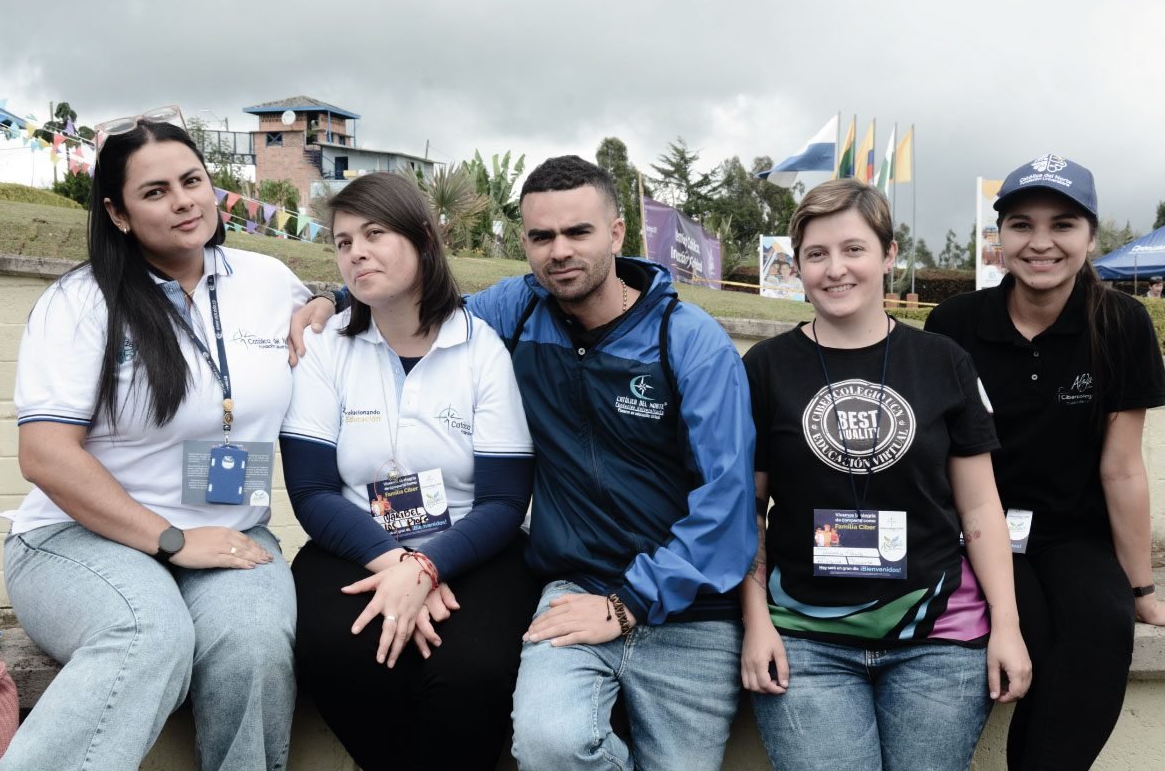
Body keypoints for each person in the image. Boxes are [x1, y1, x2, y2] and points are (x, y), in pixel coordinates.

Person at [292, 155, 758, 771]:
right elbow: (415, 304)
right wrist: (329, 300)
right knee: (548, 744)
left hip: (687, 609)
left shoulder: (690, 341)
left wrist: (628, 605)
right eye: (542, 237)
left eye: (578, 232)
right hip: (573, 587)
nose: (559, 251)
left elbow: (728, 504)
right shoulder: (517, 310)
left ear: (617, 232)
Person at [0, 109, 308, 771]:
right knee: (149, 632)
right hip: (80, 539)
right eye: (155, 192)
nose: (184, 202)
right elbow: (44, 455)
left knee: (254, 643)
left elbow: (331, 305)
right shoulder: (80, 303)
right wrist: (172, 540)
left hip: (228, 531)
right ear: (117, 213)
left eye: (192, 181)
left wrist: (326, 306)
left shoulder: (267, 281)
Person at [741, 178, 1031, 771]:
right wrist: (755, 623)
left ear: (889, 254)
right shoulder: (765, 368)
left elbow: (980, 508)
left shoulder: (943, 361)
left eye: (854, 249)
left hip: (938, 637)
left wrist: (1008, 626)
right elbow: (748, 510)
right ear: (797, 266)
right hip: (804, 639)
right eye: (816, 254)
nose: (835, 269)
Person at [278, 173, 538, 770]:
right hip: (353, 545)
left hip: (473, 547)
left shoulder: (481, 348)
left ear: (422, 238)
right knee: (340, 655)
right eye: (343, 242)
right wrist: (399, 566)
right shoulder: (326, 346)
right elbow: (312, 491)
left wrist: (429, 566)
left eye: (375, 234)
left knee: (472, 672)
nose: (356, 253)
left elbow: (505, 500)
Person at [925, 154, 1165, 770]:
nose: (1040, 243)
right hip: (976, 533)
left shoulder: (1121, 323)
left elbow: (1122, 468)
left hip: (1073, 534)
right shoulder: (955, 323)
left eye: (1062, 225)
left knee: (1102, 625)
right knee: (1032, 628)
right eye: (1021, 225)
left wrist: (1141, 588)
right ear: (1000, 237)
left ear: (1091, 236)